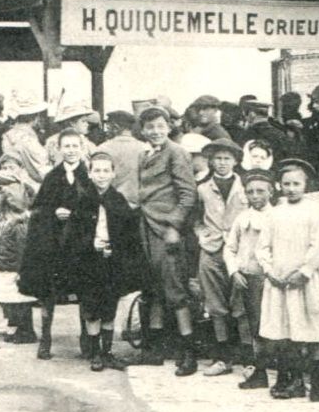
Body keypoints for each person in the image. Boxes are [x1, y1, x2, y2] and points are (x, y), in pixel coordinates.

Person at [256, 159, 319, 402]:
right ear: (279, 186)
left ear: (305, 185)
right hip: (281, 279)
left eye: (296, 184)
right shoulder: (274, 213)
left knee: (310, 330)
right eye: (286, 184)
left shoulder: (314, 211)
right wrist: (270, 271)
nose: (291, 188)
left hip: (307, 279)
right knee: (288, 330)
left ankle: (315, 385)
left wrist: (304, 272)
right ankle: (294, 382)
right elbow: (263, 246)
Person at [135, 107, 199, 376]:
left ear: (169, 127)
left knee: (175, 289)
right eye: (150, 127)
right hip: (146, 226)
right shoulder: (143, 154)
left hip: (166, 230)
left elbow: (188, 194)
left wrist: (174, 226)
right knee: (153, 287)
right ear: (143, 130)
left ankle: (189, 353)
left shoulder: (177, 152)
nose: (155, 131)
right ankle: (155, 349)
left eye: (160, 126)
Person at [19, 129, 93, 360]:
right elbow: (39, 208)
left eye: (75, 146)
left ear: (82, 148)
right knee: (49, 292)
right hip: (56, 243)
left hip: (81, 243)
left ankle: (87, 339)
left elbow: (96, 207)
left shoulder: (89, 175)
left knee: (86, 290)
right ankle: (46, 339)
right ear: (59, 150)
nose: (71, 151)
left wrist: (76, 214)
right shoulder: (52, 177)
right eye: (67, 146)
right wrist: (54, 212)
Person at [76, 151, 144, 371]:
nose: (102, 175)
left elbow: (128, 234)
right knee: (92, 307)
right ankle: (94, 352)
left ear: (113, 174)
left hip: (112, 261)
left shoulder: (118, 200)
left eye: (106, 171)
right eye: (97, 170)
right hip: (88, 262)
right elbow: (72, 235)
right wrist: (89, 244)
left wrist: (115, 248)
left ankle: (106, 352)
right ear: (89, 173)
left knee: (109, 306)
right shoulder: (83, 200)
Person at [193, 140, 248, 377]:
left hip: (240, 252)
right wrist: (203, 236)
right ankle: (222, 358)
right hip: (212, 251)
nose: (222, 163)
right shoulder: (203, 188)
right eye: (218, 158)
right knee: (215, 305)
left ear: (235, 161)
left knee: (242, 304)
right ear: (211, 161)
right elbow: (194, 219)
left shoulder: (246, 187)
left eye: (227, 158)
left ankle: (248, 360)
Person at [225, 169, 276, 389]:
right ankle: (260, 373)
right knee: (254, 326)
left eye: (260, 191)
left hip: (270, 279)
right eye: (251, 192)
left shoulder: (277, 217)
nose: (255, 196)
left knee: (272, 327)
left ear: (271, 192)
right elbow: (230, 248)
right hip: (247, 278)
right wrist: (234, 272)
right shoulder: (242, 217)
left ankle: (283, 374)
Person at [0, 173, 36, 343]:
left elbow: (22, 250)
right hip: (6, 266)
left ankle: (26, 332)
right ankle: (16, 329)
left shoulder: (19, 225)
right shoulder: (7, 222)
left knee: (21, 303)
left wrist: (23, 270)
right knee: (11, 302)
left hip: (15, 269)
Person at [96, 110, 147, 209]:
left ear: (116, 128)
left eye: (109, 127)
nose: (107, 131)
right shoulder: (145, 149)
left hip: (110, 206)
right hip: (139, 207)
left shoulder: (102, 149)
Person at [0, 93, 51, 191]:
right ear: (35, 118)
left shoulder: (8, 135)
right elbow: (40, 168)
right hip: (30, 187)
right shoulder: (27, 138)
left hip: (12, 185)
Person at [44, 102, 98, 166]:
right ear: (72, 123)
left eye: (87, 121)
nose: (87, 124)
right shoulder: (52, 142)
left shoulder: (88, 144)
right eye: (83, 121)